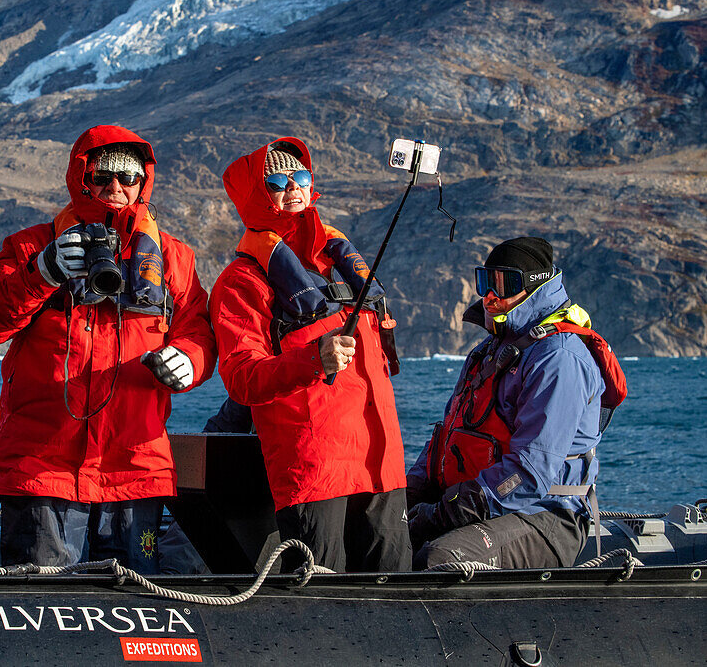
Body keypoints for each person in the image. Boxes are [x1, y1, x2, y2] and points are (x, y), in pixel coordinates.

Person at [0, 125, 216, 573]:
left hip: (137, 469)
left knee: (139, 614)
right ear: (82, 177)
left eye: (129, 178)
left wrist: (189, 361)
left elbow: (199, 332)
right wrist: (40, 273)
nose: (116, 188)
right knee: (42, 611)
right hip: (43, 470)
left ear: (144, 183)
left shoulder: (175, 258)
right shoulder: (30, 246)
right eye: (102, 177)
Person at [208, 137, 410, 573]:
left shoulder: (341, 264)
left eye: (300, 176)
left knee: (397, 601)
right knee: (321, 602)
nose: (293, 187)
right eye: (277, 181)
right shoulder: (241, 282)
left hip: (382, 466)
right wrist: (313, 359)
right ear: (255, 195)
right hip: (314, 472)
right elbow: (243, 379)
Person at [406, 237, 627, 569]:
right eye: (485, 282)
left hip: (546, 515)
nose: (489, 296)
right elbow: (447, 436)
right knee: (384, 533)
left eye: (503, 283)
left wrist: (443, 514)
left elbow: (530, 472)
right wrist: (406, 496)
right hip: (483, 503)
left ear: (534, 287)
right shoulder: (487, 352)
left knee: (441, 559)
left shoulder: (559, 358)